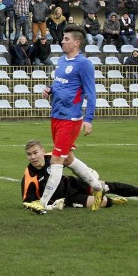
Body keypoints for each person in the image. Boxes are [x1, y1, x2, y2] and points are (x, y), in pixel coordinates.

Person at [39, 24, 102, 209]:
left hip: (71, 118)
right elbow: (60, 84)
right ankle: (97, 187)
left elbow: (91, 93)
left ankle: (42, 203)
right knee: (67, 158)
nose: (62, 41)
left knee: (57, 159)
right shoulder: (62, 61)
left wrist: (89, 119)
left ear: (77, 42)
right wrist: (50, 90)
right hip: (56, 115)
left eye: (66, 39)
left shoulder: (84, 64)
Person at [21, 139, 138, 213]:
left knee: (106, 186)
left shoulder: (51, 157)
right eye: (29, 154)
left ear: (42, 151)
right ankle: (113, 201)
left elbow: (71, 160)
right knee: (104, 202)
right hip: (68, 199)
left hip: (75, 184)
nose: (33, 157)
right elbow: (27, 203)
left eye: (35, 152)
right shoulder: (29, 175)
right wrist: (48, 206)